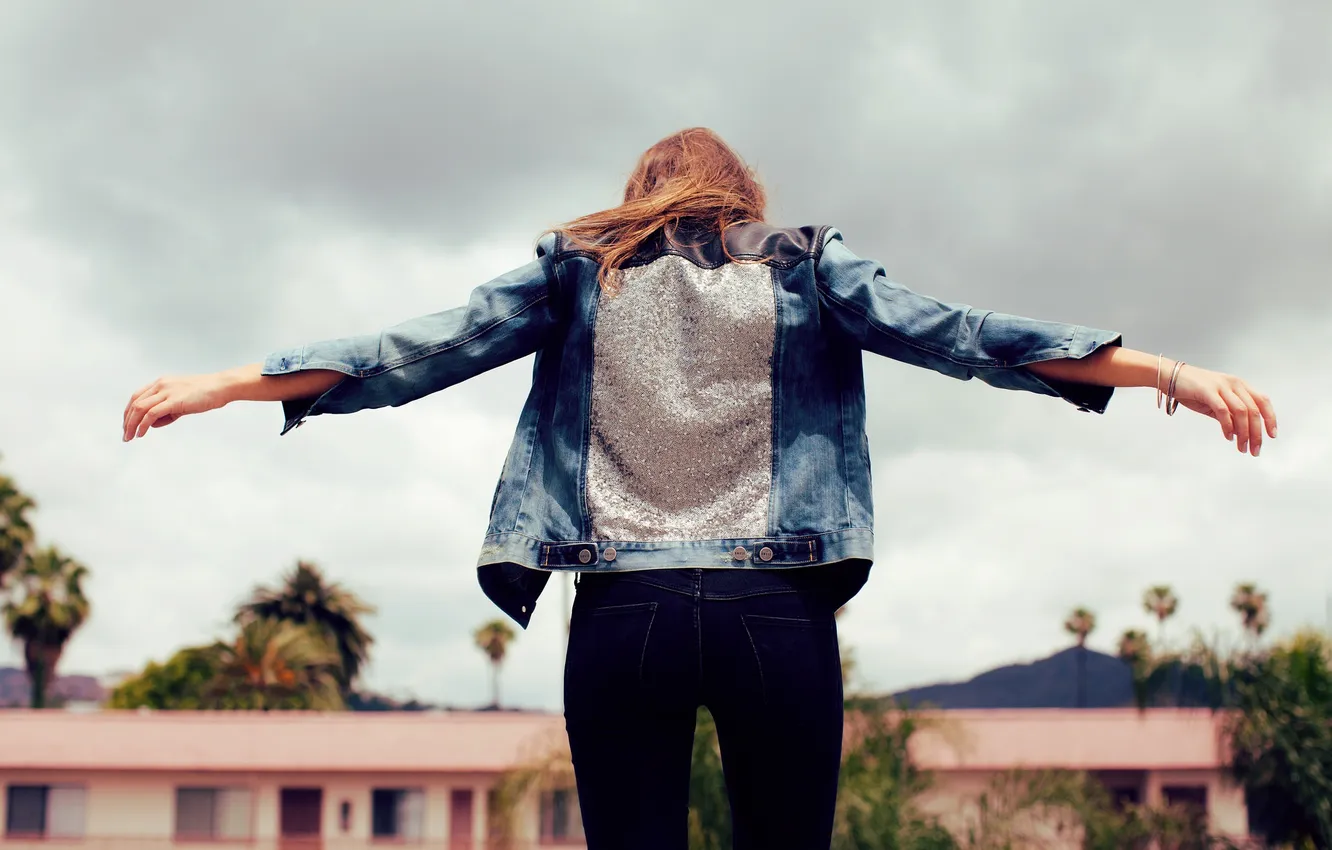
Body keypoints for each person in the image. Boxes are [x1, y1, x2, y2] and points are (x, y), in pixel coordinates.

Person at [123, 128, 1277, 849]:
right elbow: (970, 336)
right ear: (741, 197)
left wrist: (231, 382)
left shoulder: (575, 273)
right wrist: (1168, 370)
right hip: (777, 618)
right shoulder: (812, 266)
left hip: (621, 616)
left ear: (641, 192)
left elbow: (408, 350)